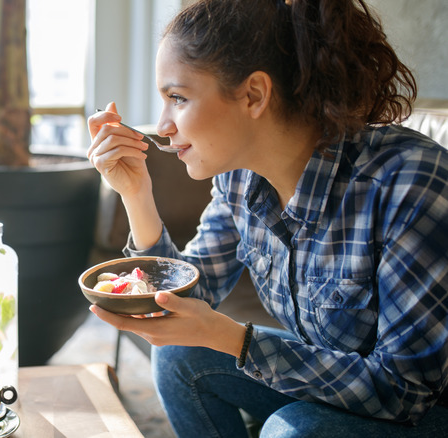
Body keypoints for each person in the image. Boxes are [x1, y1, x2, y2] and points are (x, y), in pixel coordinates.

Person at [86, 0, 448, 437]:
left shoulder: (409, 183)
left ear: (254, 94)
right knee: (179, 353)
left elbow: (404, 391)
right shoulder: (240, 181)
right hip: (337, 383)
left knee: (291, 431)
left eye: (177, 98)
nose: (162, 125)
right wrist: (136, 194)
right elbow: (189, 298)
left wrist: (234, 340)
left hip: (422, 409)